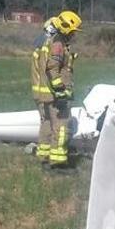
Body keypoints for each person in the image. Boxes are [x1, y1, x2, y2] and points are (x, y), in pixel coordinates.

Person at [30, 10, 82, 169]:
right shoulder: (58, 44)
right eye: (73, 31)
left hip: (45, 94)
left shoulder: (54, 42)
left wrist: (70, 59)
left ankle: (44, 156)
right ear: (67, 29)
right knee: (61, 127)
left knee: (46, 124)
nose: (74, 34)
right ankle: (57, 162)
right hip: (54, 94)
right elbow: (52, 68)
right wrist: (60, 90)